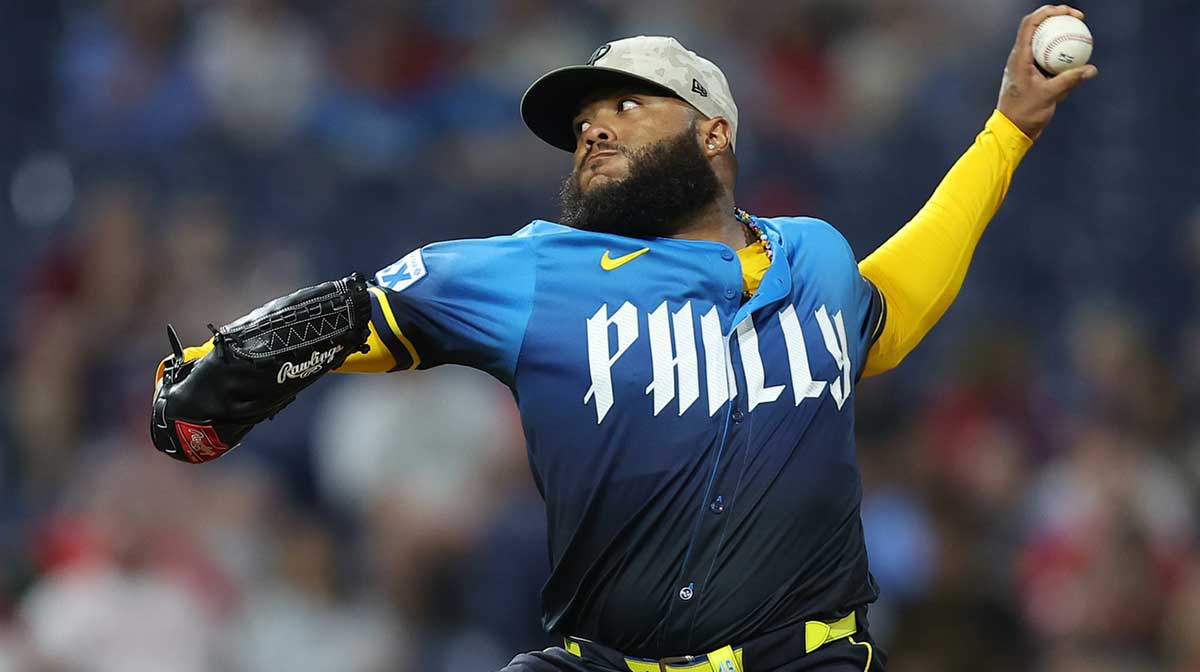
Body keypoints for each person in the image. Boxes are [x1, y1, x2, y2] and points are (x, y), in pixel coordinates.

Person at [152, 6, 1097, 670]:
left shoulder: (813, 257)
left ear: (716, 133)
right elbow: (364, 310)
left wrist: (1005, 133)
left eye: (627, 106)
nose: (592, 132)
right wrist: (225, 365)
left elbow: (885, 311)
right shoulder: (538, 271)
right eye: (581, 123)